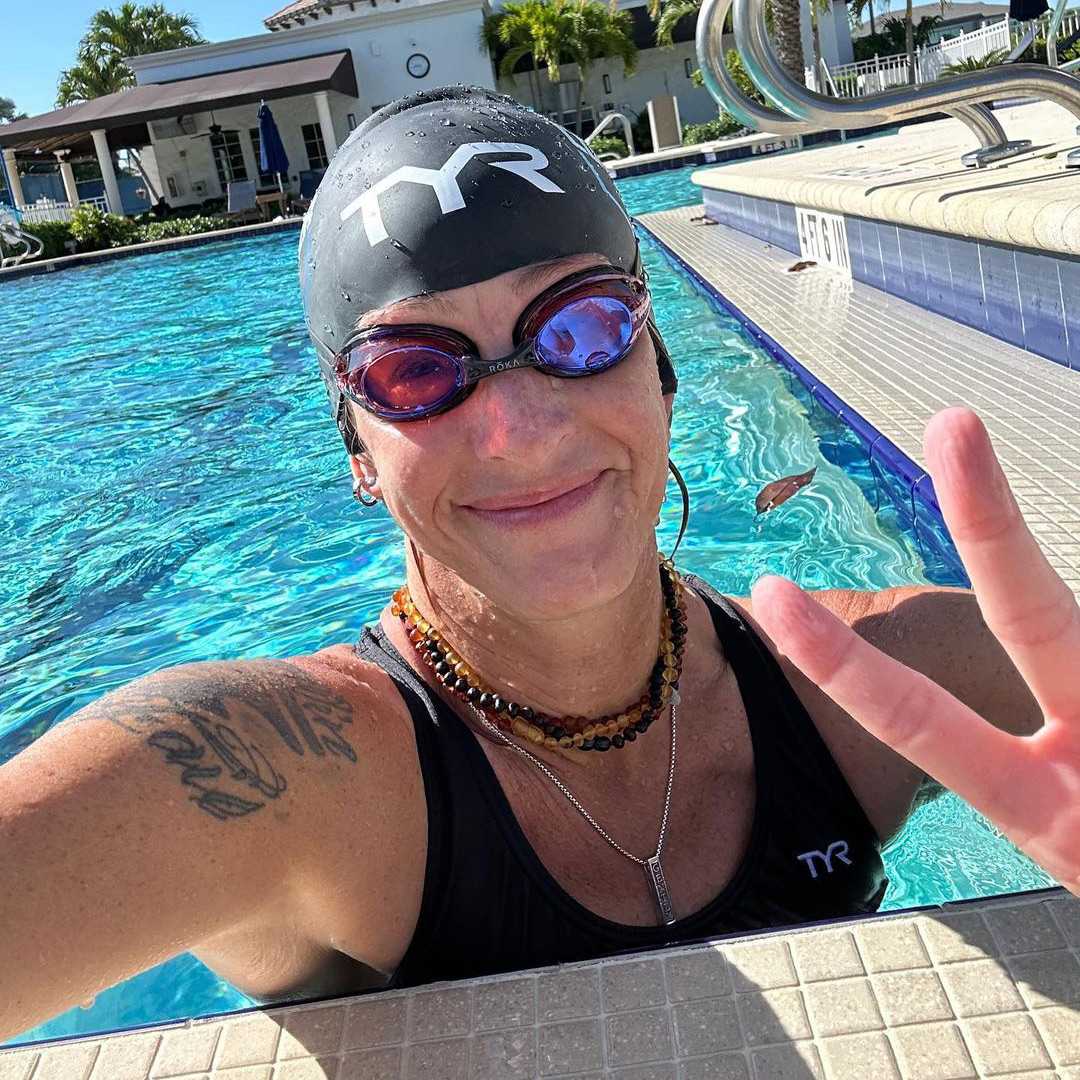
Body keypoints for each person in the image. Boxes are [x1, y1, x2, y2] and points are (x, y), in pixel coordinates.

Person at [0, 86, 1076, 1043]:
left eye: (581, 326)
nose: (519, 427)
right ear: (358, 453)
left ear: (659, 366)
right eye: (417, 371)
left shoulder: (883, 680)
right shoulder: (281, 780)